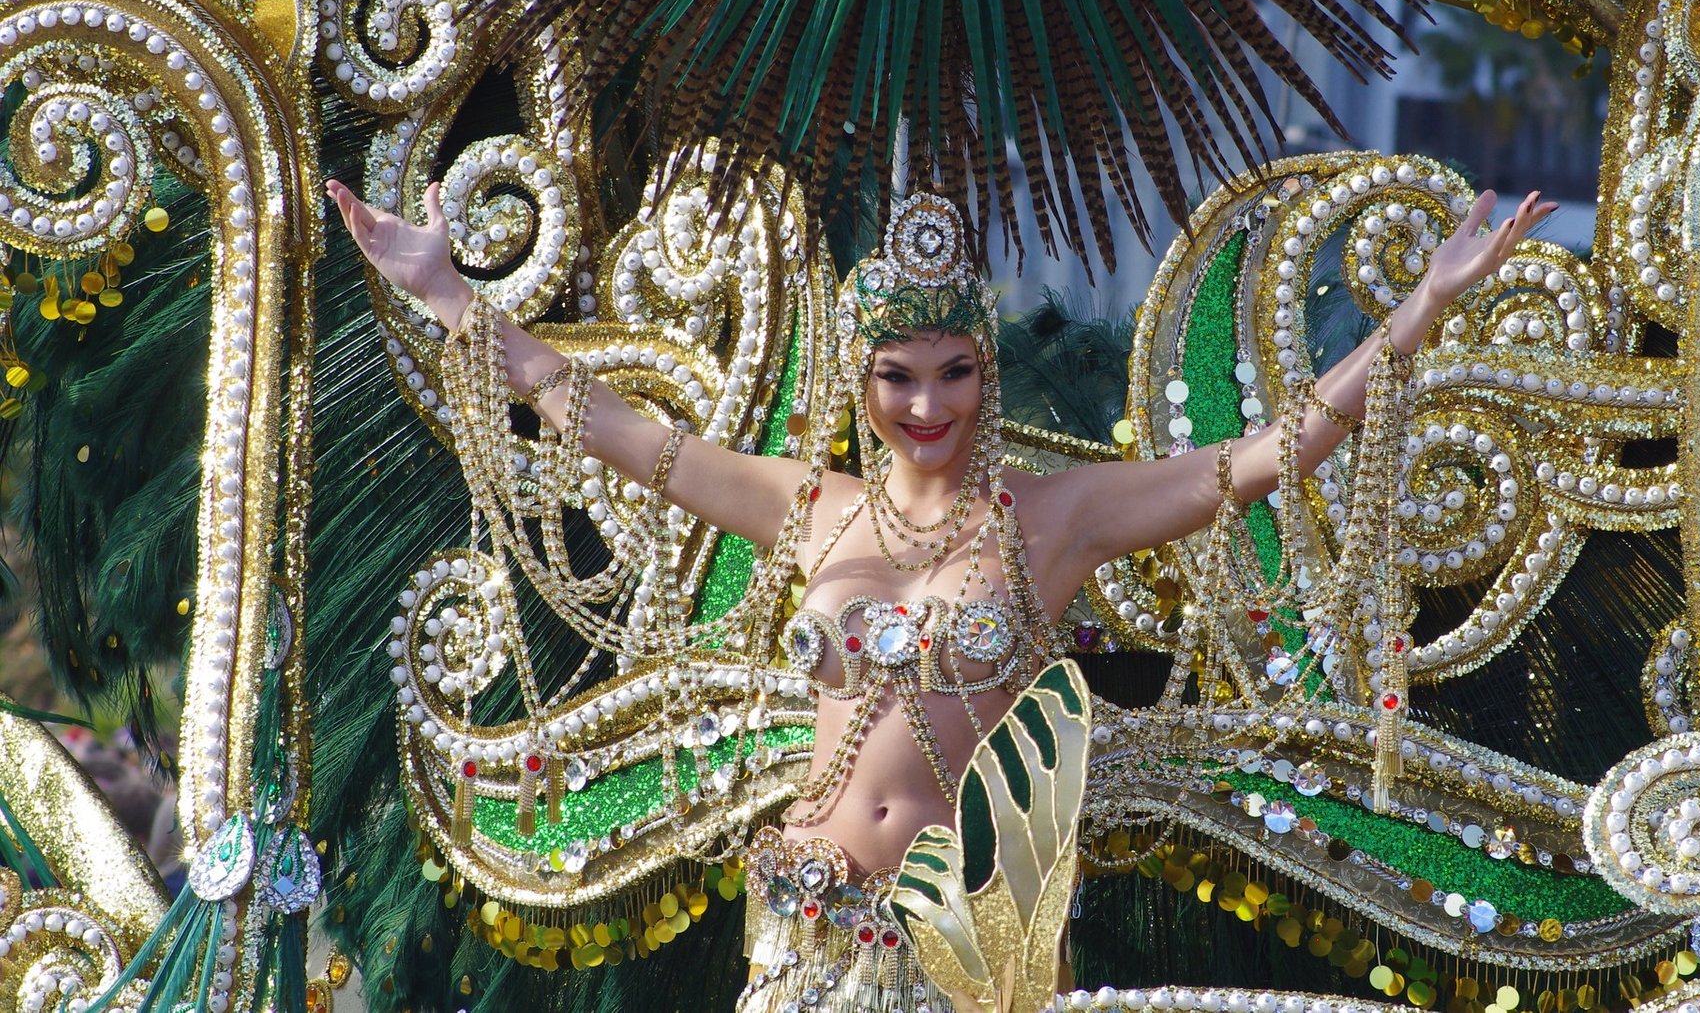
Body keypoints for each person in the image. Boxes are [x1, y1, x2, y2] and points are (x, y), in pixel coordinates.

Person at [325, 178, 1554, 1011]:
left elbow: (1266, 456)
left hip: (961, 946)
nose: (928, 407)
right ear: (861, 385)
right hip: (799, 928)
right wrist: (448, 295)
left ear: (988, 370)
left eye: (955, 372)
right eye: (898, 378)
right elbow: (603, 421)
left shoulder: (1055, 518)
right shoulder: (807, 507)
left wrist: (1425, 304)